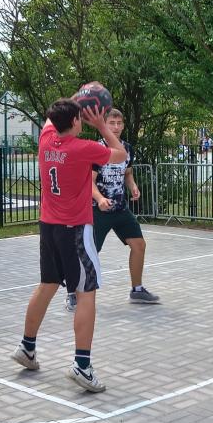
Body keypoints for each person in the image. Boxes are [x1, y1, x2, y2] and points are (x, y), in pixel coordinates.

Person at [11, 98, 126, 393]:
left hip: (48, 227)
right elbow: (120, 153)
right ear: (76, 121)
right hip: (74, 230)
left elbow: (52, 119)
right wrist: (100, 123)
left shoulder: (46, 140)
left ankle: (27, 347)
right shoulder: (82, 148)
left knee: (47, 284)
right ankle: (82, 366)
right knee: (86, 293)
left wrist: (76, 100)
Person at [65, 108, 159, 309]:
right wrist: (99, 199)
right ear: (104, 126)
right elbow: (88, 182)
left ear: (123, 125)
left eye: (119, 123)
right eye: (111, 123)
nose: (116, 127)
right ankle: (73, 292)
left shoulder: (127, 149)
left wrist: (132, 186)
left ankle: (137, 290)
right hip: (96, 210)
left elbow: (127, 173)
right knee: (89, 253)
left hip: (120, 209)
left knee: (139, 245)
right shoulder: (96, 151)